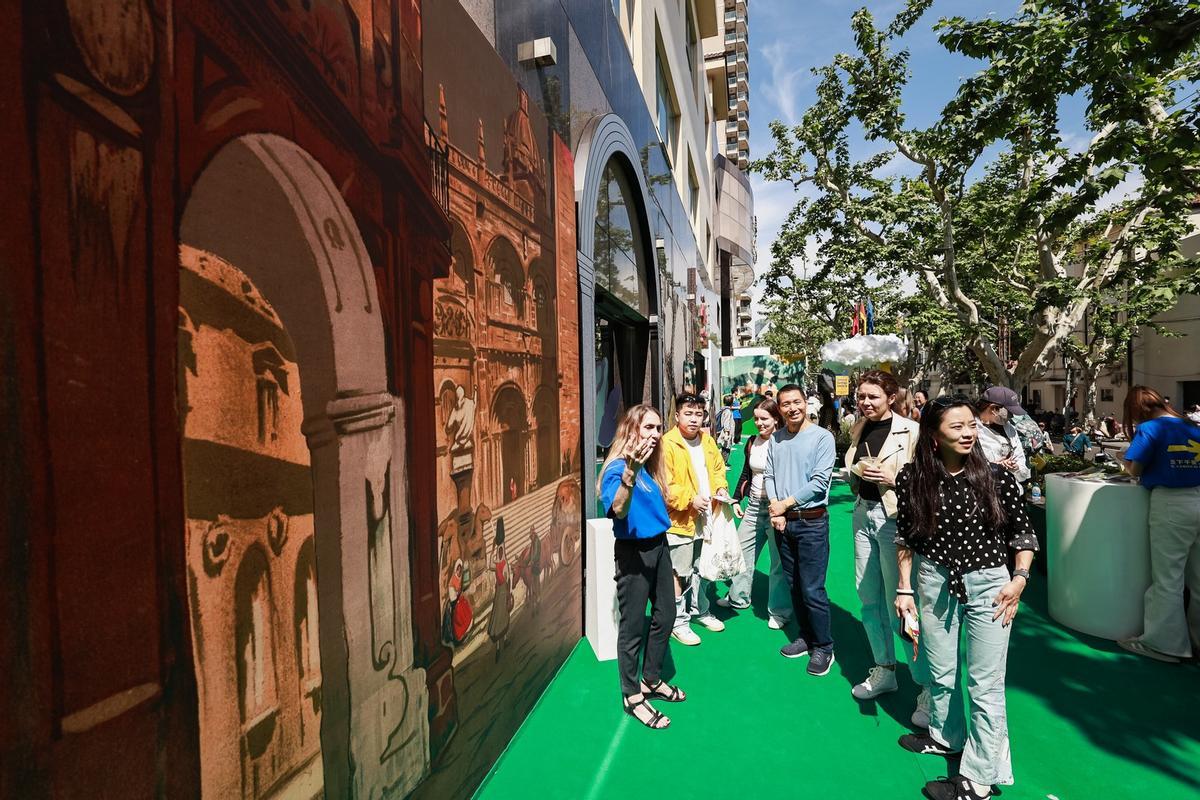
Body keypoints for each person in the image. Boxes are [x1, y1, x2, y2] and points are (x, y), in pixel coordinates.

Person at [894, 396, 1039, 800]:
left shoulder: (995, 477)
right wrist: (904, 588)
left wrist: (1019, 578)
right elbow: (906, 535)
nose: (969, 433)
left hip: (990, 584)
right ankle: (946, 736)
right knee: (939, 669)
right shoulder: (912, 478)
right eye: (957, 426)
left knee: (984, 683)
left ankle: (980, 778)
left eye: (972, 425)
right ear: (934, 434)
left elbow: (1023, 535)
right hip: (933, 577)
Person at [843, 371, 931, 725]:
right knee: (867, 597)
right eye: (861, 396)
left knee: (904, 603)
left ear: (891, 397)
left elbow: (927, 479)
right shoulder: (858, 427)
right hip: (862, 514)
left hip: (894, 518)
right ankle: (885, 668)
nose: (865, 402)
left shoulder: (912, 431)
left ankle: (927, 687)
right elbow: (853, 468)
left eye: (872, 397)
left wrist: (893, 479)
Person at [598, 404, 682, 729]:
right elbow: (618, 509)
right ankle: (632, 695)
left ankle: (651, 679)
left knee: (667, 615)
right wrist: (629, 475)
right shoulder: (619, 469)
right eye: (648, 427)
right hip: (634, 553)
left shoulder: (649, 468)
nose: (655, 434)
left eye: (658, 428)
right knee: (632, 627)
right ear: (632, 430)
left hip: (659, 545)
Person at [1118, 386, 1200, 663]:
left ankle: (1166, 644)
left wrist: (1123, 460)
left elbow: (1134, 468)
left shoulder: (1150, 428)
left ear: (1137, 409)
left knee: (1168, 578)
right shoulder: (1191, 425)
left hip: (1172, 503)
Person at [765, 384, 838, 676]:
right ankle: (806, 637)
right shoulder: (776, 439)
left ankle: (824, 646)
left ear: (806, 403)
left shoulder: (823, 438)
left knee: (812, 588)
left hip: (811, 521)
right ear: (779, 409)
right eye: (785, 404)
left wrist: (785, 504)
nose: (792, 408)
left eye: (797, 402)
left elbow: (820, 482)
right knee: (794, 584)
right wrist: (775, 507)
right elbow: (770, 474)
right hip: (783, 521)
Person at [662, 392, 732, 645]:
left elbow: (717, 470)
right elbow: (665, 485)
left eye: (699, 414)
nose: (694, 419)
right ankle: (678, 622)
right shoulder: (667, 443)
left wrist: (722, 488)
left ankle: (701, 610)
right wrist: (690, 499)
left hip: (708, 516)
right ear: (677, 415)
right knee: (678, 572)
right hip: (680, 519)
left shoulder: (707, 440)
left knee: (702, 567)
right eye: (688, 413)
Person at [718, 399, 793, 628]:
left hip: (777, 510)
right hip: (752, 507)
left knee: (778, 561)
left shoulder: (784, 443)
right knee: (742, 551)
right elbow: (745, 474)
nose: (759, 423)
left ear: (776, 419)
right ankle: (739, 597)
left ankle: (779, 611)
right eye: (757, 418)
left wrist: (784, 507)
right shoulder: (752, 442)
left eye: (764, 419)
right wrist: (738, 499)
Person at [976, 387, 1031, 483]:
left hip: (1012, 490)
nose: (1012, 416)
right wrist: (993, 467)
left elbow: (1022, 466)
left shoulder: (1011, 430)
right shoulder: (972, 430)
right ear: (994, 408)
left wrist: (1016, 467)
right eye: (1009, 412)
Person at [715, 395, 736, 462]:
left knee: (723, 447)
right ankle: (723, 463)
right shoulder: (728, 411)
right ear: (732, 402)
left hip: (724, 432)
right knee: (726, 448)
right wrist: (727, 433)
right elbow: (726, 423)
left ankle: (722, 462)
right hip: (726, 433)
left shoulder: (723, 409)